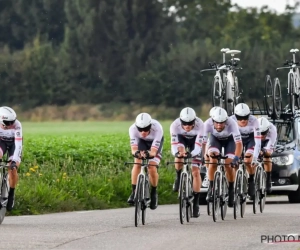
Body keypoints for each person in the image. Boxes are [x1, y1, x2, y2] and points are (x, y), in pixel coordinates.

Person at [202, 107, 242, 207]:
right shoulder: (207, 124)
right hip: (215, 140)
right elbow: (203, 142)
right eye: (217, 123)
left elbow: (239, 143)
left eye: (222, 123)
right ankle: (211, 188)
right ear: (212, 121)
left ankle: (231, 189)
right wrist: (204, 154)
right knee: (213, 160)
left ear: (226, 121)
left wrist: (236, 157)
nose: (219, 125)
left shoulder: (232, 123)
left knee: (228, 164)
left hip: (230, 141)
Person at [170, 107, 204, 218]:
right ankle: (178, 175)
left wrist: (192, 154)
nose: (187, 126)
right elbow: (174, 145)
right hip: (182, 139)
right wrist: (177, 154)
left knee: (195, 172)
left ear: (194, 121)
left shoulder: (200, 125)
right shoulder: (174, 125)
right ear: (180, 121)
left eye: (190, 124)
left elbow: (198, 147)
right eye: (184, 124)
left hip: (196, 142)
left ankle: (196, 203)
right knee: (179, 154)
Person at [127, 113, 163, 210]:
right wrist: (137, 153)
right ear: (136, 127)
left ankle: (154, 192)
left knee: (151, 167)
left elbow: (154, 151)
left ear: (150, 126)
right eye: (140, 129)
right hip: (141, 142)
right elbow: (134, 149)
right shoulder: (132, 129)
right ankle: (134, 192)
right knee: (137, 163)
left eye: (146, 129)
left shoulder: (157, 128)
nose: (143, 132)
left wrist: (149, 154)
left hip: (154, 143)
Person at [231, 103, 261, 198]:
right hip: (237, 140)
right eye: (239, 118)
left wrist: (255, 157)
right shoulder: (231, 120)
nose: (243, 120)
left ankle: (251, 179)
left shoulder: (254, 121)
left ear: (249, 116)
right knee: (234, 162)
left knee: (248, 160)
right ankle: (235, 182)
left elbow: (258, 141)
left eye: (245, 117)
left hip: (250, 140)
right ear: (235, 116)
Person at [0, 106, 23, 211]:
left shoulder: (17, 125)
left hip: (14, 144)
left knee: (12, 169)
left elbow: (18, 145)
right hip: (2, 143)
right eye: (8, 123)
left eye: (12, 122)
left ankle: (11, 194)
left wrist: (14, 161)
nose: (11, 125)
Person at [258, 117, 277, 193]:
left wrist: (264, 150)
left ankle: (268, 179)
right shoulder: (254, 127)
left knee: (267, 155)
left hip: (268, 140)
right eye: (260, 133)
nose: (262, 135)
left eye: (264, 133)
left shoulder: (272, 130)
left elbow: (269, 146)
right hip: (256, 139)